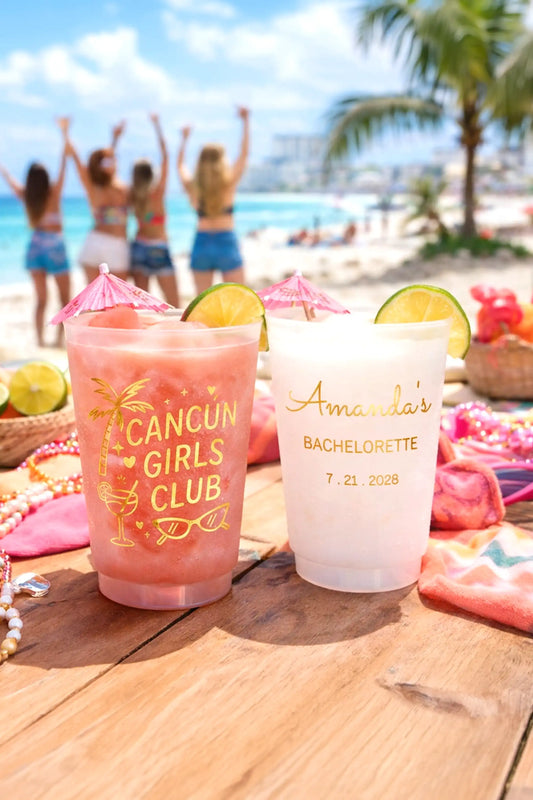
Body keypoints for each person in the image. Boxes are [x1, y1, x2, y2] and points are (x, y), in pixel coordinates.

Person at [0, 118, 71, 347]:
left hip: (35, 246)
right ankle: (60, 340)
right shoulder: (54, 193)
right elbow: (64, 165)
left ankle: (40, 340)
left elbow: (8, 178)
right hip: (56, 246)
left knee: (41, 300)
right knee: (64, 299)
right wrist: (64, 133)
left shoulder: (27, 196)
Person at [177, 106, 250, 293]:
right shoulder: (228, 182)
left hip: (202, 242)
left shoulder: (194, 186)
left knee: (202, 304)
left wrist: (184, 139)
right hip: (226, 239)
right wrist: (246, 121)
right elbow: (244, 154)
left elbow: (180, 165)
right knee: (237, 299)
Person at [66, 121, 129, 283]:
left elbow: (103, 158)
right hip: (111, 244)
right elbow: (78, 160)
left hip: (98, 243)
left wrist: (115, 139)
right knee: (113, 299)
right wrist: (65, 131)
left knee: (103, 301)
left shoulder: (100, 188)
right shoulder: (111, 188)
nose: (112, 162)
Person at [129, 113, 180, 307]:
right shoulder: (157, 194)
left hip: (139, 247)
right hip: (158, 247)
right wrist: (158, 126)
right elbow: (166, 157)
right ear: (152, 174)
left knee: (142, 306)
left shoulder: (133, 196)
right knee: (174, 303)